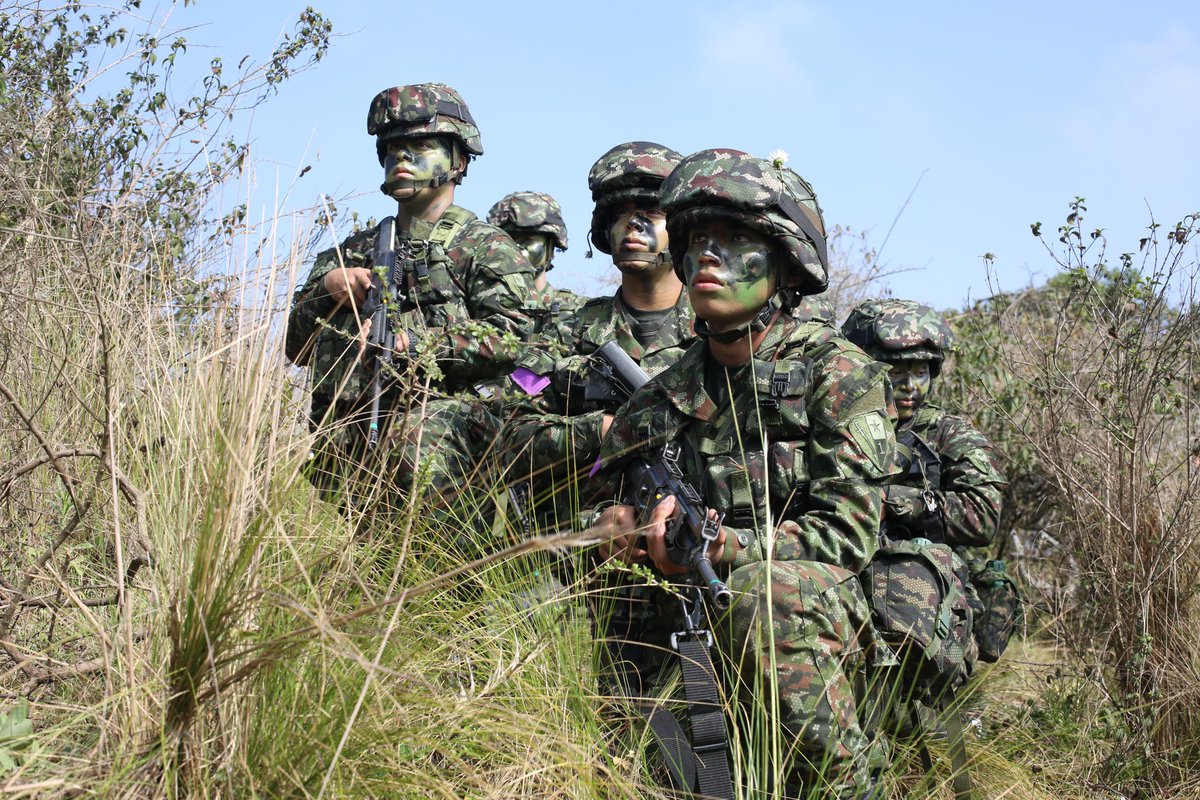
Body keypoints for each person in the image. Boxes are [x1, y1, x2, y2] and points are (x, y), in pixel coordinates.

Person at [591, 149, 896, 797]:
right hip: (683, 622)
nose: (708, 254)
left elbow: (846, 538)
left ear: (784, 261)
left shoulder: (837, 374)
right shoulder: (661, 395)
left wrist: (720, 547)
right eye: (697, 239)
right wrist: (613, 529)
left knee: (764, 594)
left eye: (735, 240)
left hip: (814, 623)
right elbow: (596, 506)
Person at [285, 83, 537, 511]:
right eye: (392, 148)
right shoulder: (349, 253)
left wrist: (415, 345)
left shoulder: (486, 247)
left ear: (458, 161)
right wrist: (327, 291)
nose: (401, 157)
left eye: (420, 146)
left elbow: (514, 341)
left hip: (446, 449)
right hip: (347, 452)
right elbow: (295, 348)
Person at [503, 142, 692, 514]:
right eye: (621, 214)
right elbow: (508, 430)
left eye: (652, 212)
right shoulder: (567, 332)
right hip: (577, 538)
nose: (632, 224)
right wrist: (602, 430)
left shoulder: (718, 334)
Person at [841, 298, 1011, 659]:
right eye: (896, 373)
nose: (910, 386)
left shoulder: (948, 432)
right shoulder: (836, 425)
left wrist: (892, 502)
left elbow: (983, 515)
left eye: (920, 373)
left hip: (926, 586)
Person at [486, 191, 586, 340]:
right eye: (507, 241)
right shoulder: (481, 308)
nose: (515, 249)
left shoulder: (579, 313)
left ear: (551, 248)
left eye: (528, 241)